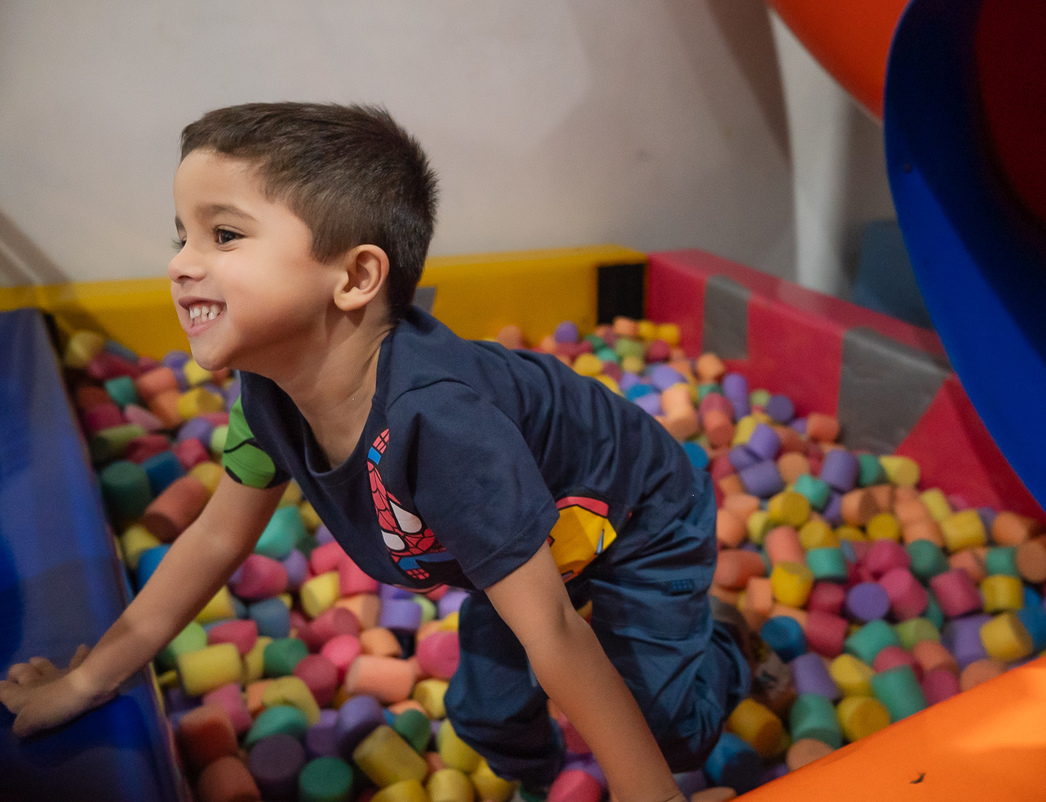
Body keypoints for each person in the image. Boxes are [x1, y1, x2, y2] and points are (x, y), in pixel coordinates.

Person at [0, 102, 750, 801]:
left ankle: (730, 648)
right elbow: (217, 537)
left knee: (670, 730)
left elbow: (551, 628)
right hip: (536, 539)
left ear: (355, 277)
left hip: (635, 518)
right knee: (489, 716)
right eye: (182, 235)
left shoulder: (438, 425)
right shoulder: (269, 392)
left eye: (223, 235)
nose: (179, 264)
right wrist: (91, 680)